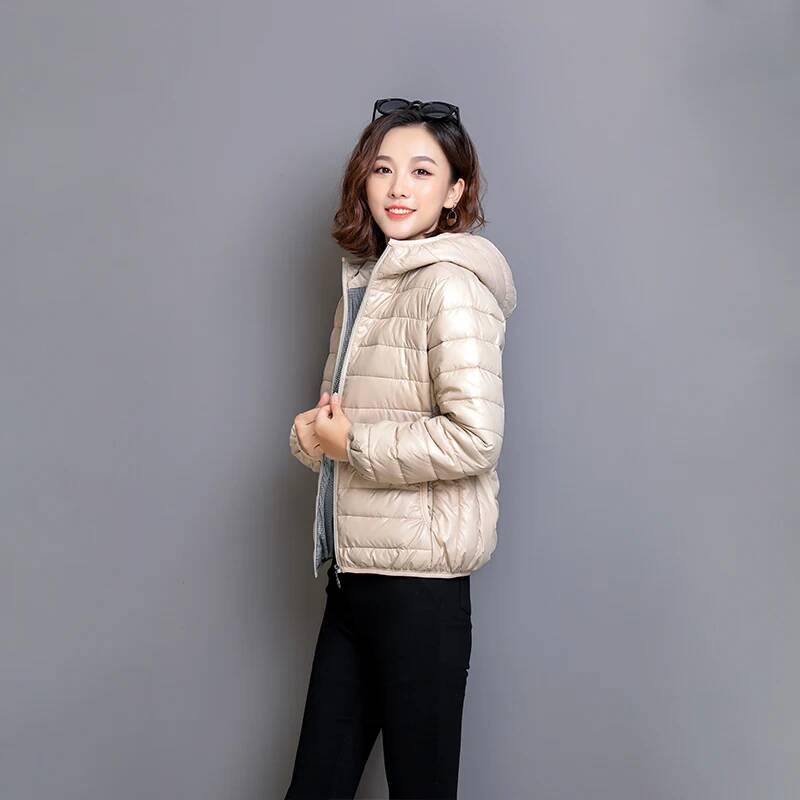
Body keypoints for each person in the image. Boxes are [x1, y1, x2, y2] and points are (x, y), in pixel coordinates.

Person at [284, 98, 517, 799]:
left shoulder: (451, 286)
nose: (397, 187)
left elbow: (474, 438)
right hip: (354, 580)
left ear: (455, 192)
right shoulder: (366, 285)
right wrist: (313, 436)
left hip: (421, 594)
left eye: (421, 171)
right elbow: (340, 425)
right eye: (383, 169)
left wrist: (350, 441)